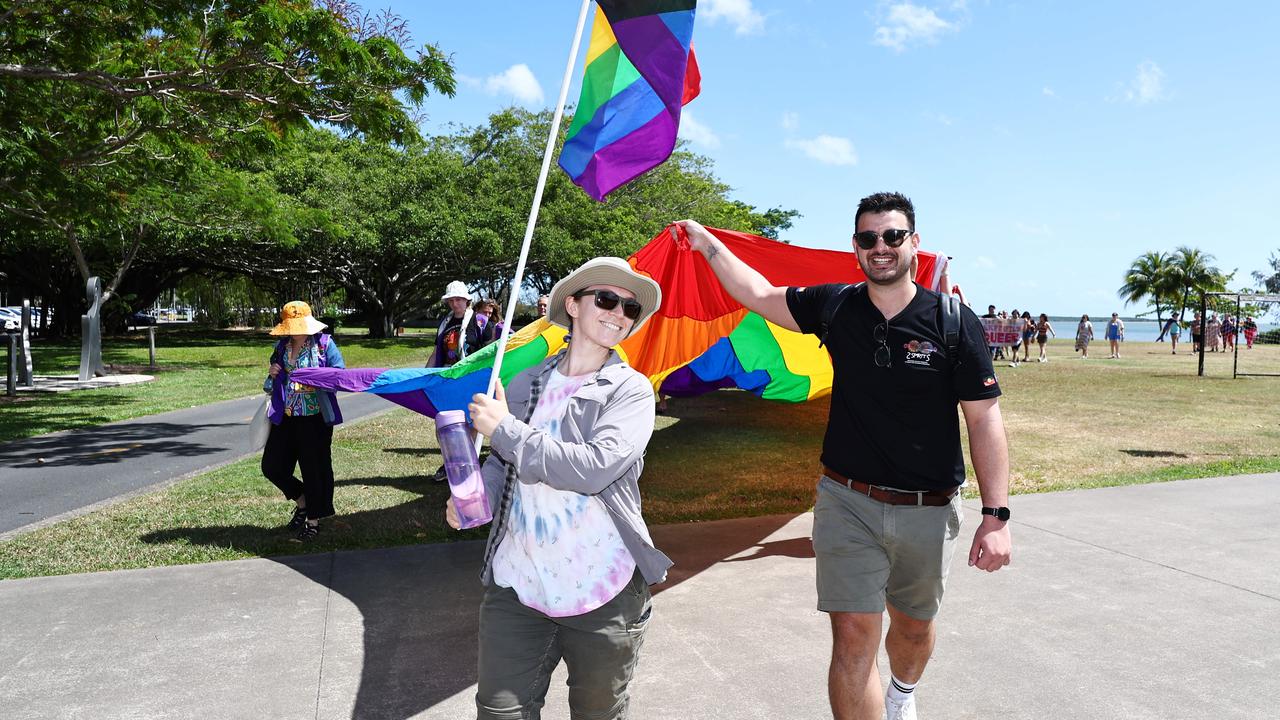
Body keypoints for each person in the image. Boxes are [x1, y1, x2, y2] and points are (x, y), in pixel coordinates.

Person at [673, 191, 1011, 720]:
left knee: (914, 628)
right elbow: (759, 294)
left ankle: (901, 691)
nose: (882, 246)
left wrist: (996, 517)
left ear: (914, 245)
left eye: (893, 236)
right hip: (846, 500)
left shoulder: (953, 321)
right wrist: (707, 243)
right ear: (856, 248)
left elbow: (984, 418)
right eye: (869, 238)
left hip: (929, 507)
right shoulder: (834, 306)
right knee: (853, 637)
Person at [452, 257, 667, 720]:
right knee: (499, 712)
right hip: (519, 586)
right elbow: (504, 462)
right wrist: (473, 497)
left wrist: (504, 429)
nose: (618, 313)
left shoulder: (630, 392)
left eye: (630, 308)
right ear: (571, 304)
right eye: (607, 299)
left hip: (602, 592)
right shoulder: (526, 380)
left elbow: (592, 469)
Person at [261, 301, 346, 541]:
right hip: (286, 416)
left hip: (315, 418)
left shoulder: (324, 344)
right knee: (272, 466)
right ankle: (302, 501)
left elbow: (339, 374)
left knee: (314, 469)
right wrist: (273, 371)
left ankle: (313, 521)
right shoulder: (281, 346)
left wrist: (317, 378)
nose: (295, 330)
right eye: (291, 325)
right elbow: (272, 379)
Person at [427, 281, 487, 368]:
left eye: (458, 299)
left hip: (471, 374)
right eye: (451, 300)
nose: (454, 304)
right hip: (447, 374)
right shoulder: (444, 324)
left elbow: (492, 349)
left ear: (466, 299)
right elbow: (435, 354)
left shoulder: (480, 321)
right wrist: (424, 377)